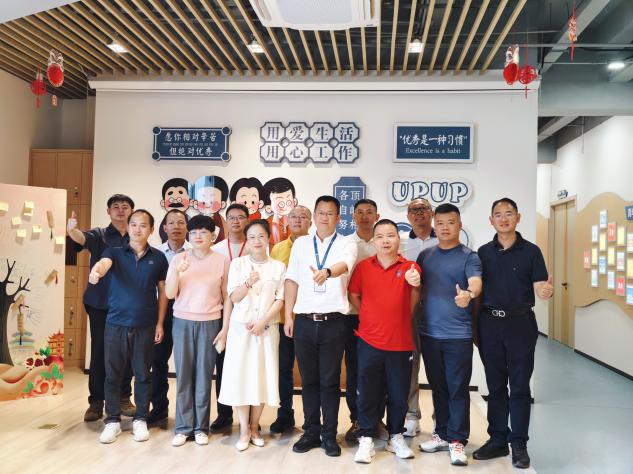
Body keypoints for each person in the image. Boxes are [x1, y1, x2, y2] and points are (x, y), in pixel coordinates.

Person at [473, 198, 553, 469]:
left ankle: (519, 443)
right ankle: (497, 439)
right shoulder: (483, 252)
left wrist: (544, 291)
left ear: (518, 218)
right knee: (495, 386)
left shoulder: (531, 251)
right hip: (489, 324)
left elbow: (540, 284)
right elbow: (476, 289)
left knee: (519, 387)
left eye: (509, 214)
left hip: (520, 324)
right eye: (498, 214)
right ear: (491, 220)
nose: (504, 219)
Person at [284, 195, 357, 457]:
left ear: (338, 217)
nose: (324, 217)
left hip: (334, 323)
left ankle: (329, 435)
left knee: (330, 381)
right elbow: (291, 280)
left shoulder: (347, 242)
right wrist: (289, 316)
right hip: (304, 321)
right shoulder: (301, 244)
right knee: (309, 381)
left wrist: (326, 272)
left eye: (330, 213)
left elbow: (344, 266)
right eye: (320, 212)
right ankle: (311, 432)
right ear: (314, 216)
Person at [88, 209, 169, 444]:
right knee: (112, 375)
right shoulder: (114, 252)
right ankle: (112, 420)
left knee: (143, 374)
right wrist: (96, 271)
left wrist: (160, 323)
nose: (137, 229)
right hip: (116, 323)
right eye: (133, 224)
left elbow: (163, 292)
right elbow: (103, 264)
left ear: (151, 230)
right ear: (128, 227)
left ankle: (140, 419)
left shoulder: (158, 257)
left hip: (145, 325)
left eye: (143, 225)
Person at [349, 219, 421, 463]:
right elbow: (354, 295)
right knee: (367, 392)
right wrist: (370, 315)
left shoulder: (411, 267)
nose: (385, 241)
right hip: (369, 340)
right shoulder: (363, 267)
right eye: (380, 236)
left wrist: (413, 285)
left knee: (399, 393)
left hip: (400, 343)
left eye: (390, 235)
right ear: (374, 241)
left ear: (398, 239)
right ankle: (366, 438)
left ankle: (396, 436)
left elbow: (415, 295)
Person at [416, 203, 482, 466]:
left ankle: (457, 440)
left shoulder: (469, 256)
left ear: (459, 225)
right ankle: (442, 433)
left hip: (458, 335)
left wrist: (469, 294)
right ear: (435, 224)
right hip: (429, 333)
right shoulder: (425, 256)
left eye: (450, 223)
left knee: (457, 388)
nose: (445, 228)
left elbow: (476, 282)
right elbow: (417, 288)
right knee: (439, 387)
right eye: (440, 223)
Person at [66, 193, 136, 422]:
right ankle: (96, 401)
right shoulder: (99, 235)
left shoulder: (137, 235)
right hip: (100, 303)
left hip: (128, 304)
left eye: (125, 207)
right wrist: (71, 230)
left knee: (126, 352)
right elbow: (80, 238)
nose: (120, 210)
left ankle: (124, 398)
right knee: (99, 352)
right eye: (115, 206)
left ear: (131, 211)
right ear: (108, 211)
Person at [219, 220, 286, 451]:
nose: (257, 241)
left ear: (268, 238)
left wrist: (263, 321)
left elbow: (280, 299)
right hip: (241, 330)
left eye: (261, 236)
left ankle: (255, 427)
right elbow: (233, 298)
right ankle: (243, 430)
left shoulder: (278, 267)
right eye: (252, 237)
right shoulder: (238, 264)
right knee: (241, 377)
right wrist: (248, 283)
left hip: (266, 329)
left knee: (262, 377)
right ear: (246, 240)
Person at [165, 215, 230, 447]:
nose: (198, 236)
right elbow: (169, 294)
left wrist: (225, 328)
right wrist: (176, 272)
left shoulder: (222, 260)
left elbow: (227, 297)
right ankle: (183, 428)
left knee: (204, 376)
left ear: (213, 235)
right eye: (193, 232)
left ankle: (201, 427)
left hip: (210, 322)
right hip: (182, 322)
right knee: (184, 376)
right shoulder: (179, 259)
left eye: (203, 232)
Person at [269, 205, 312, 433]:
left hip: (307, 318)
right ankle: (285, 415)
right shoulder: (277, 249)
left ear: (310, 222)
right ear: (287, 222)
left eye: (303, 217)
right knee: (283, 370)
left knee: (308, 372)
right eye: (293, 216)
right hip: (281, 320)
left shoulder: (315, 247)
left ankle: (311, 419)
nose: (297, 220)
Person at [209, 203, 251, 430]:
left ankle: (249, 418)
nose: (236, 221)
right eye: (231, 218)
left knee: (248, 366)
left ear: (247, 220)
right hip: (221, 315)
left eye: (240, 217)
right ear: (226, 221)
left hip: (249, 316)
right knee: (223, 365)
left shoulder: (256, 246)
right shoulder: (216, 250)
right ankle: (224, 414)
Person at [399, 198, 438, 437]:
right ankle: (412, 415)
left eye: (424, 209)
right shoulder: (401, 243)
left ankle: (439, 418)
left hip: (437, 312)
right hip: (410, 311)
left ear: (432, 213)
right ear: (408, 216)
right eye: (414, 210)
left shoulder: (443, 239)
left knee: (437, 366)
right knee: (410, 365)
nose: (419, 213)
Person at [150, 209, 192, 424]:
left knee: (188, 364)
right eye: (171, 223)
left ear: (187, 227)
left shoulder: (195, 252)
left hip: (188, 311)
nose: (176, 226)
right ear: (164, 227)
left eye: (181, 222)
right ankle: (159, 409)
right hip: (161, 312)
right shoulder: (155, 253)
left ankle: (188, 413)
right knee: (157, 361)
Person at [343, 198, 380, 442]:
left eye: (369, 212)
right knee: (355, 369)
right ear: (353, 216)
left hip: (380, 318)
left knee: (379, 370)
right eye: (360, 212)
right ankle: (356, 419)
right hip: (352, 316)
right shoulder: (346, 244)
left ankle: (377, 419)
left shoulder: (385, 241)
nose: (365, 216)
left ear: (377, 216)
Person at [263, 177, 298, 246]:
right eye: (280, 204)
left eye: (288, 202)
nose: (285, 206)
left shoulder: (297, 221)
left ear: (294, 202)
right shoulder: (266, 223)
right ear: (269, 208)